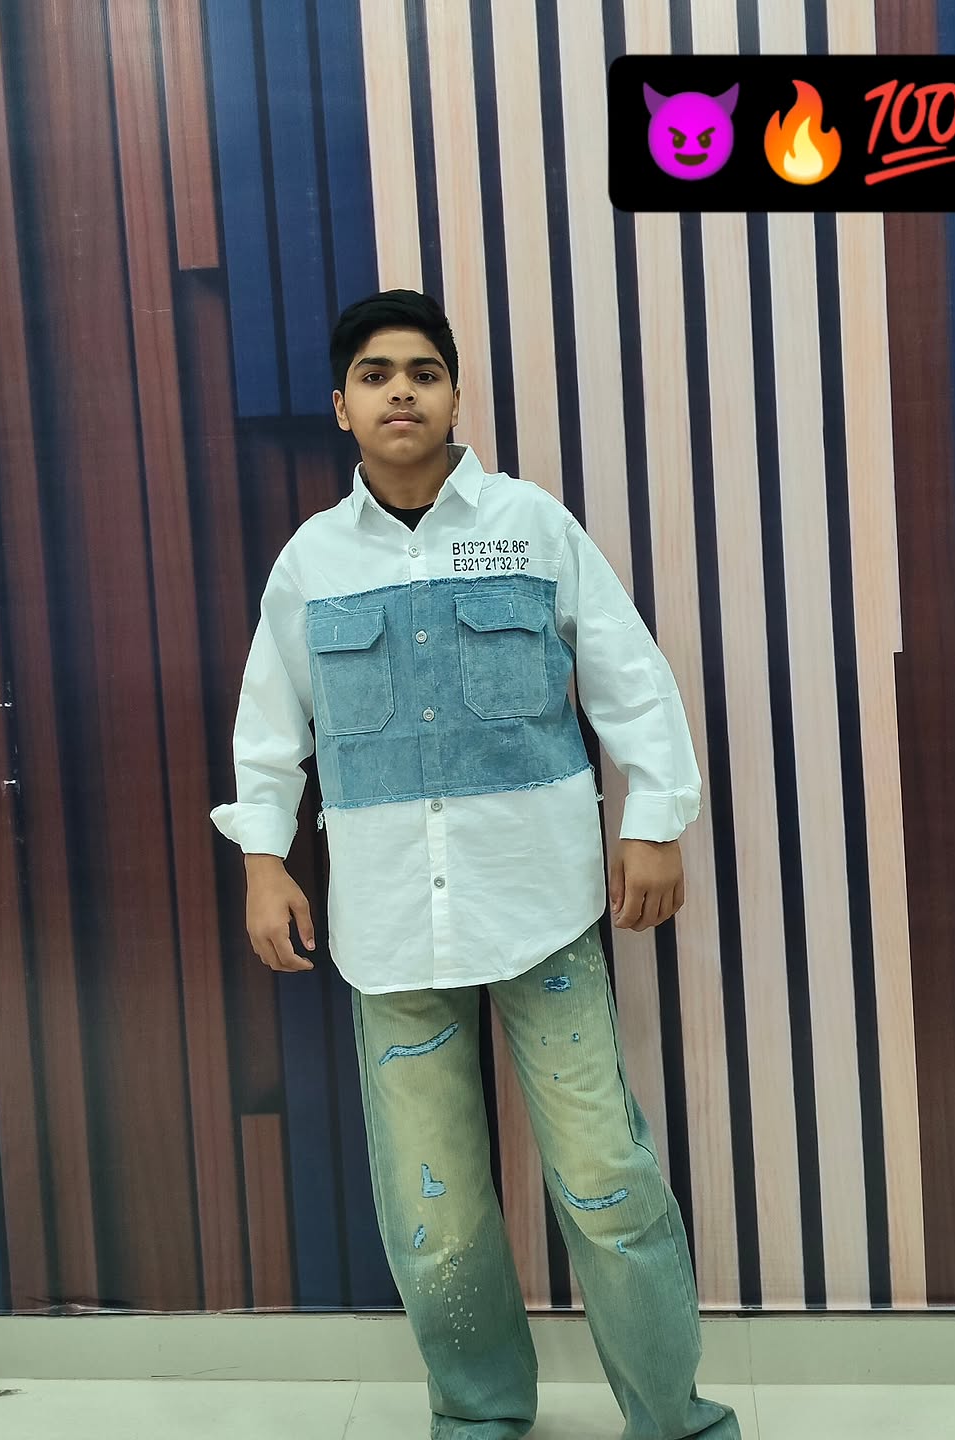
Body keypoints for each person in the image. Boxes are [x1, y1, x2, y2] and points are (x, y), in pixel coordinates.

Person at [210, 289, 741, 1440]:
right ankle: (481, 1416)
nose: (400, 391)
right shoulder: (312, 564)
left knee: (608, 1182)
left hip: (542, 909)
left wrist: (655, 819)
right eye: (375, 375)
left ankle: (676, 1420)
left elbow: (627, 672)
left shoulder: (531, 526)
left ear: (456, 396)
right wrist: (263, 859)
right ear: (341, 407)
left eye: (424, 372)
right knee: (435, 1212)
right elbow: (269, 728)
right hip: (391, 930)